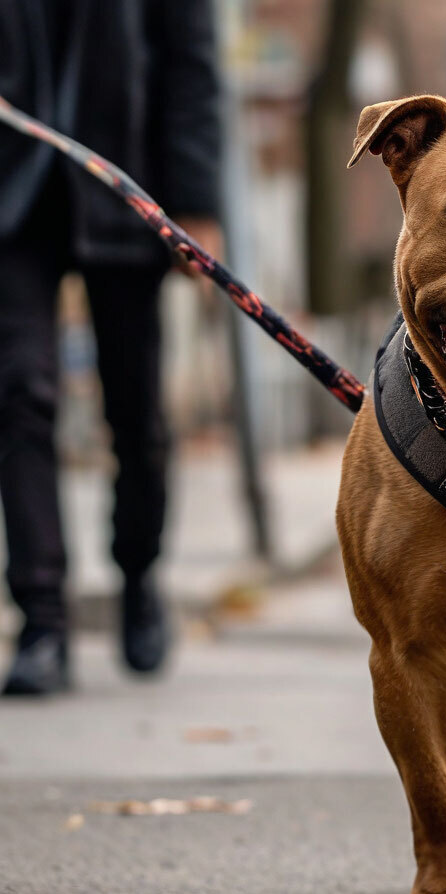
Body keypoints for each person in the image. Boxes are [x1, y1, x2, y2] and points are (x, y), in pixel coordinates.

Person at [0, 0, 223, 695]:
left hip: (124, 182)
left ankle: (138, 570)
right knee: (19, 392)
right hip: (13, 194)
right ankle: (42, 620)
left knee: (135, 412)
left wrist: (195, 203)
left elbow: (191, 68)